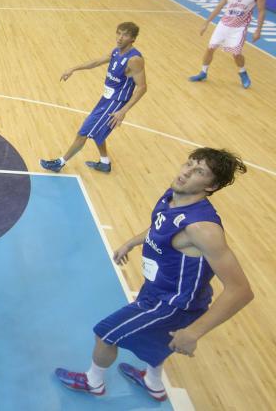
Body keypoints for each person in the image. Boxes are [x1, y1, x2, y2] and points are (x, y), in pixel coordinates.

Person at [55, 148, 253, 402]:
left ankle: (94, 382)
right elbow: (158, 227)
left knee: (105, 334)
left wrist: (193, 332)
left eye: (199, 171)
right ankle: (153, 382)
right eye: (189, 164)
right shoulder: (173, 195)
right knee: (158, 341)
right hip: (159, 288)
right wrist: (131, 242)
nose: (186, 172)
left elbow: (241, 291)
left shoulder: (202, 229)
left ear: (211, 186)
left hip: (172, 304)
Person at [40, 22, 147, 174]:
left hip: (115, 103)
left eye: (125, 35)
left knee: (83, 132)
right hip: (106, 98)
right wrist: (74, 68)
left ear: (133, 39)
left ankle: (60, 163)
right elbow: (96, 62)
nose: (120, 38)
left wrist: (123, 110)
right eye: (119, 33)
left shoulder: (134, 60)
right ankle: (104, 162)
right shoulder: (116, 52)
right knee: (98, 133)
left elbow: (142, 88)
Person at [188, 0, 267, 89]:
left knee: (236, 54)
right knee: (210, 48)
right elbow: (219, 6)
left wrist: (258, 30)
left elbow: (262, 11)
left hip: (239, 27)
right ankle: (203, 72)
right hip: (223, 24)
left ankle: (243, 73)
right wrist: (206, 23)